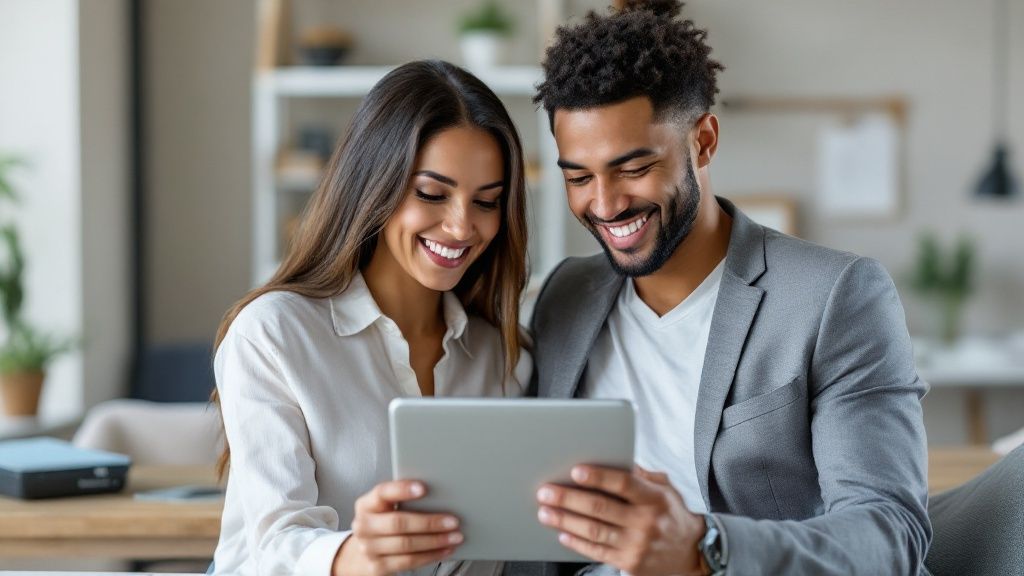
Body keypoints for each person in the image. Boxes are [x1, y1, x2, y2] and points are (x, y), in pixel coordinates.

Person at [513, 1, 931, 575]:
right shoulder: (567, 294)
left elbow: (889, 534)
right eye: (579, 177)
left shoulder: (837, 296)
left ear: (704, 141)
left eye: (633, 168)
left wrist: (703, 548)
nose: (605, 205)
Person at [210, 60, 531, 576]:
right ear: (374, 185)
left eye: (487, 201)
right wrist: (359, 553)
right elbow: (274, 544)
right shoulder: (274, 333)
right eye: (431, 193)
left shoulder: (502, 358)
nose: (461, 225)